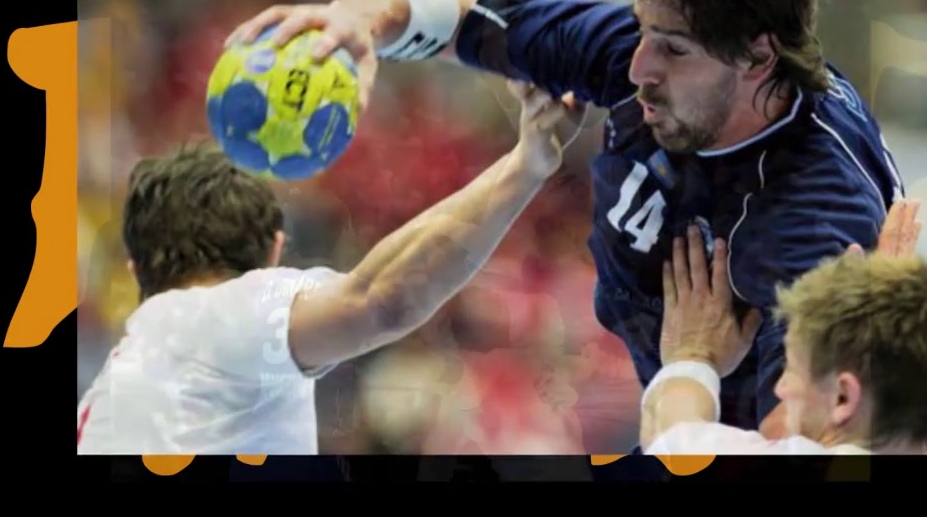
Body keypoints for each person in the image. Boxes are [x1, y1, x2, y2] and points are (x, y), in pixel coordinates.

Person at [225, 0, 904, 440]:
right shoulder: (642, 58)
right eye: (642, 31)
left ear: (758, 56)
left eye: (671, 48)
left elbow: (802, 450)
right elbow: (462, 16)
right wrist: (360, 19)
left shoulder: (816, 222)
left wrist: (689, 368)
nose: (636, 69)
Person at [76, 81, 585, 455]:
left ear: (136, 270)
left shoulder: (101, 402)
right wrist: (527, 166)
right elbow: (383, 301)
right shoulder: (226, 315)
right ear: (273, 252)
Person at [642, 199, 927, 455]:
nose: (780, 389)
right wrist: (888, 317)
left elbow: (668, 439)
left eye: (792, 368)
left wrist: (693, 356)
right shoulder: (920, 424)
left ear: (844, 397)